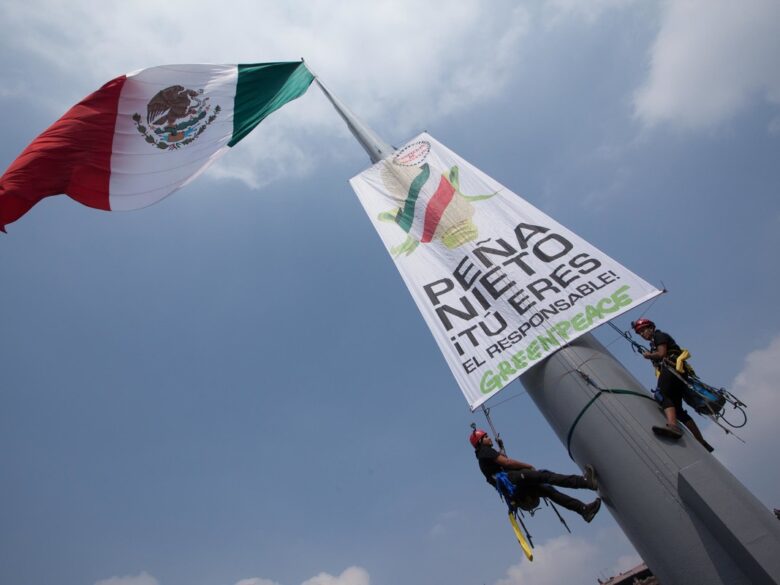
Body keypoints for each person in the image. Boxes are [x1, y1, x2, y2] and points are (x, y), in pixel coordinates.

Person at [470, 428, 602, 522]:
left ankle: (584, 510)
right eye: (486, 436)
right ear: (480, 442)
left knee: (548, 491)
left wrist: (501, 449)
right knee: (546, 476)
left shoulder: (482, 457)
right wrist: (527, 466)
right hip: (514, 481)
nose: (489, 438)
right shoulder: (484, 451)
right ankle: (585, 482)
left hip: (515, 491)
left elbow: (501, 465)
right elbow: (508, 463)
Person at [632, 318, 714, 452]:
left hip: (671, 371)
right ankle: (702, 442)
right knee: (679, 410)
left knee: (662, 395)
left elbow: (662, 353)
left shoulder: (659, 336)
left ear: (651, 328)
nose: (642, 334)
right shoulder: (655, 341)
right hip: (677, 373)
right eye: (640, 332)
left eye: (644, 330)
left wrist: (649, 356)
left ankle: (673, 426)